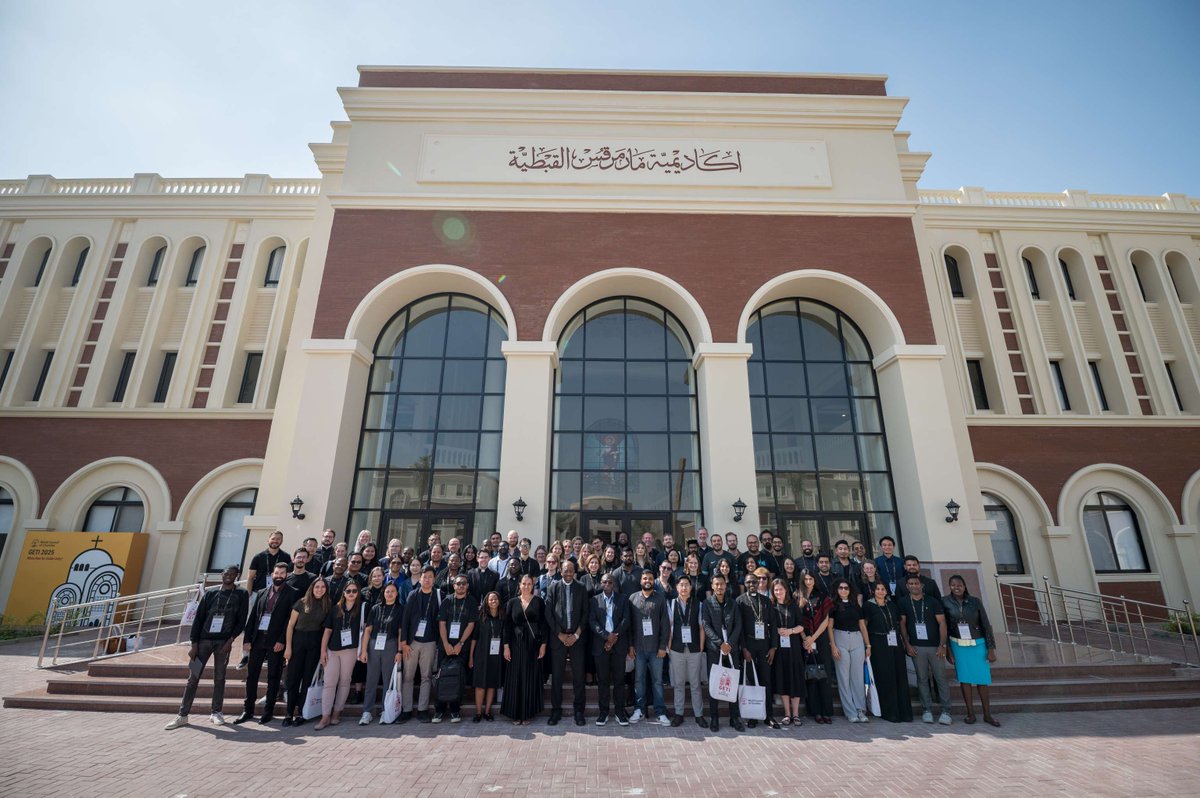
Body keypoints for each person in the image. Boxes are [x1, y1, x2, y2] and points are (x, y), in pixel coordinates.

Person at [165, 565, 248, 729]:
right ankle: (182, 715)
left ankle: (216, 712)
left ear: (237, 576)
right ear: (221, 575)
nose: (228, 576)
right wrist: (193, 644)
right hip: (203, 642)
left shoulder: (241, 594)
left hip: (223, 643)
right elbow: (198, 620)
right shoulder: (210, 593)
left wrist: (230, 641)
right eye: (225, 573)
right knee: (192, 678)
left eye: (232, 574)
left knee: (219, 677)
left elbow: (241, 620)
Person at [235, 562, 297, 725]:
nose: (278, 576)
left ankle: (267, 712)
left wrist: (282, 640)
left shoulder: (292, 594)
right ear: (272, 575)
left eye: (282, 573)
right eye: (276, 573)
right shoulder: (262, 592)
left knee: (273, 677)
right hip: (257, 640)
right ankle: (247, 710)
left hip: (276, 641)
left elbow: (289, 621)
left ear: (287, 575)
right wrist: (247, 639)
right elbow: (253, 617)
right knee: (252, 676)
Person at [943, 575, 1001, 727]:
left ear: (964, 585)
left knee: (982, 680)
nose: (957, 587)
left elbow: (986, 625)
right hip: (958, 645)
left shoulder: (975, 601)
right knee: (965, 680)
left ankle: (987, 714)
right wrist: (948, 650)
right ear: (949, 586)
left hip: (978, 644)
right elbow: (946, 628)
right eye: (953, 584)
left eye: (959, 584)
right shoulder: (945, 602)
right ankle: (971, 713)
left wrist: (991, 648)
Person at [898, 573, 952, 725]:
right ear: (907, 586)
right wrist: (907, 644)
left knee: (940, 678)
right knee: (922, 679)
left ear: (921, 586)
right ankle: (926, 709)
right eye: (911, 584)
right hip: (916, 646)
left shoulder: (933, 601)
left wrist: (943, 645)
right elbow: (902, 624)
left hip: (935, 646)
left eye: (916, 583)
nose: (914, 586)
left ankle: (946, 710)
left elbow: (942, 623)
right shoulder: (903, 602)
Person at [314, 579, 364, 730]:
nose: (351, 594)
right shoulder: (335, 609)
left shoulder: (362, 609)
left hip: (350, 651)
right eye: (348, 591)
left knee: (344, 681)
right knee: (329, 682)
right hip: (333, 650)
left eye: (354, 591)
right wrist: (323, 651)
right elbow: (327, 631)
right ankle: (325, 716)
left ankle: (337, 712)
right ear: (343, 593)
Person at [282, 577, 331, 726]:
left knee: (308, 679)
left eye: (323, 587)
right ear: (312, 588)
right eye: (317, 587)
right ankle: (289, 713)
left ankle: (302, 712)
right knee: (293, 679)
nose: (320, 590)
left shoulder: (327, 604)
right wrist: (288, 648)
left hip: (315, 643)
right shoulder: (301, 603)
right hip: (298, 641)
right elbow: (290, 625)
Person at [546, 559, 589, 726]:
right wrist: (560, 635)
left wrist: (576, 635)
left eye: (571, 571)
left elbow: (586, 613)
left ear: (575, 572)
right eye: (565, 571)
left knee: (579, 677)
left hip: (577, 639)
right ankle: (556, 711)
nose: (568, 573)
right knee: (557, 677)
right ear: (560, 571)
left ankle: (579, 711)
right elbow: (549, 613)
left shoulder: (581, 588)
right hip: (558, 639)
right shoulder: (553, 587)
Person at [863, 580, 912, 723]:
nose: (880, 591)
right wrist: (867, 645)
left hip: (895, 642)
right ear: (873, 591)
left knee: (899, 675)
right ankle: (890, 712)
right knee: (885, 676)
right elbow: (864, 626)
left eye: (883, 589)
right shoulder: (868, 605)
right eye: (877, 589)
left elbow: (898, 623)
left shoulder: (891, 605)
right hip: (878, 643)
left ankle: (904, 712)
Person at [736, 568, 779, 729]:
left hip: (765, 645)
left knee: (766, 680)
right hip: (749, 645)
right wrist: (744, 649)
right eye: (748, 582)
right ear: (745, 584)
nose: (752, 584)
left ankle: (769, 715)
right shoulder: (740, 601)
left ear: (759, 582)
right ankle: (753, 715)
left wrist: (773, 647)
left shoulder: (766, 601)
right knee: (752, 681)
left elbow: (773, 624)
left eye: (755, 581)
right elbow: (738, 627)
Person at [700, 572, 744, 732]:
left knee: (733, 684)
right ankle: (715, 718)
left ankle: (734, 718)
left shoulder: (733, 603)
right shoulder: (707, 603)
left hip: (732, 650)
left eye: (722, 584)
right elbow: (706, 625)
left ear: (726, 585)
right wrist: (720, 644)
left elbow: (738, 625)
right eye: (716, 584)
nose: (719, 587)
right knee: (715, 686)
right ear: (712, 586)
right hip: (714, 650)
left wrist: (729, 644)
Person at [242, 530, 292, 669]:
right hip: (259, 594)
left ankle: (266, 653)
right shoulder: (258, 556)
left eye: (278, 539)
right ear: (268, 540)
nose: (275, 541)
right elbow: (251, 577)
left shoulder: (286, 556)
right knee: (252, 622)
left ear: (281, 541)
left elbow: (287, 576)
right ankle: (245, 655)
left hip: (278, 594)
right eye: (273, 538)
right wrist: (249, 595)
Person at [627, 569, 670, 726]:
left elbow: (665, 625)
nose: (647, 581)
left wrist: (662, 646)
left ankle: (660, 712)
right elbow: (629, 626)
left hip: (656, 649)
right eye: (645, 578)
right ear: (640, 581)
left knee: (657, 681)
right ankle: (639, 710)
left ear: (654, 581)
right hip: (638, 649)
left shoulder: (660, 599)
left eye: (650, 578)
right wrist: (630, 646)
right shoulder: (632, 598)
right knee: (639, 680)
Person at [502, 574, 546, 725]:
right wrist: (506, 646)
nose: (526, 586)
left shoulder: (539, 602)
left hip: (533, 645)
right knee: (515, 677)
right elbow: (507, 625)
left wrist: (543, 645)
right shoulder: (512, 602)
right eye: (524, 584)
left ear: (533, 585)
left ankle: (527, 713)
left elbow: (543, 625)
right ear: (519, 585)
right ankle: (515, 713)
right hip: (515, 644)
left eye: (529, 584)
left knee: (530, 677)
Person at [400, 567, 441, 723]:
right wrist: (403, 642)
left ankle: (423, 709)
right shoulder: (413, 595)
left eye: (430, 577)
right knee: (408, 677)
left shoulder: (438, 595)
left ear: (434, 579)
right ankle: (406, 709)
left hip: (430, 643)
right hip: (412, 642)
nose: (427, 579)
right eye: (425, 577)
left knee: (426, 677)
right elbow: (405, 619)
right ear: (420, 578)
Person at [589, 573, 631, 727]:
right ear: (600, 584)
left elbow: (626, 620)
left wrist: (613, 638)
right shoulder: (594, 600)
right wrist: (607, 637)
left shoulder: (623, 599)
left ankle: (620, 713)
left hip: (619, 645)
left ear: (614, 584)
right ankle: (603, 713)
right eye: (604, 581)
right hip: (601, 645)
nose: (607, 584)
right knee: (603, 682)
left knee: (620, 681)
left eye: (610, 582)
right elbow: (592, 622)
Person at [435, 575, 477, 723]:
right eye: (458, 583)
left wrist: (460, 644)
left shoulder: (471, 602)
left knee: (457, 678)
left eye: (463, 584)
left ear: (467, 586)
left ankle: (455, 710)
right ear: (453, 586)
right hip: (444, 647)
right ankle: (439, 710)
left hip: (462, 648)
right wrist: (446, 644)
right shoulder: (447, 600)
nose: (460, 586)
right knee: (441, 678)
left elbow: (471, 625)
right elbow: (441, 623)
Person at [359, 581, 403, 725]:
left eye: (392, 591)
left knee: (387, 680)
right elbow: (367, 630)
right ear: (383, 593)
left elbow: (400, 632)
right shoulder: (375, 608)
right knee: (371, 680)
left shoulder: (400, 609)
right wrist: (364, 650)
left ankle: (386, 710)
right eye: (387, 591)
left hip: (390, 645)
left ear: (397, 594)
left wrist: (399, 651)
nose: (389, 594)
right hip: (373, 644)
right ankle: (367, 712)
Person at [667, 575, 706, 727]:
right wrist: (669, 646)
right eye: (681, 585)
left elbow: (701, 627)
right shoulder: (670, 604)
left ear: (691, 587)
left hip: (695, 648)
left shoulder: (698, 604)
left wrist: (702, 646)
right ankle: (679, 714)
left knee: (696, 683)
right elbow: (669, 626)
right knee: (679, 683)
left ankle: (699, 714)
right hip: (676, 649)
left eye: (686, 585)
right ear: (676, 587)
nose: (684, 587)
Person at [829, 578, 871, 723]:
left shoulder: (855, 605)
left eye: (846, 588)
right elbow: (829, 627)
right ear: (837, 590)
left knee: (857, 677)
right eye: (840, 588)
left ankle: (861, 710)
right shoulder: (833, 606)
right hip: (840, 638)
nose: (843, 590)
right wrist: (833, 645)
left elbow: (862, 626)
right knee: (844, 677)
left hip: (857, 640)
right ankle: (850, 711)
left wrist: (868, 645)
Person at [798, 571, 834, 724]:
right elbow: (796, 620)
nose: (808, 581)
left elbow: (826, 620)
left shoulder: (822, 596)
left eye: (810, 578)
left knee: (824, 674)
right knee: (811, 676)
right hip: (805, 640)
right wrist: (806, 639)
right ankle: (816, 712)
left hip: (821, 638)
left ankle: (826, 711)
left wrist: (814, 637)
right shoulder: (798, 597)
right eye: (805, 579)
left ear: (815, 579)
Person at [770, 578, 804, 726]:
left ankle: (796, 714)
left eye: (780, 589)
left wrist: (790, 631)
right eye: (775, 590)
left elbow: (801, 626)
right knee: (783, 679)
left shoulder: (794, 606)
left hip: (794, 647)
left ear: (786, 590)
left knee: (795, 678)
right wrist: (777, 630)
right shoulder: (771, 606)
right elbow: (769, 626)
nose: (778, 592)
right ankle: (787, 714)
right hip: (779, 649)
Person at [471, 591, 505, 723]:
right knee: (480, 685)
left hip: (496, 655)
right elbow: (474, 638)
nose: (493, 601)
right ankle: (478, 712)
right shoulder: (481, 616)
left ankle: (487, 712)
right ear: (486, 601)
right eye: (490, 599)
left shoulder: (503, 617)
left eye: (495, 599)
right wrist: (471, 657)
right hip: (481, 654)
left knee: (492, 684)